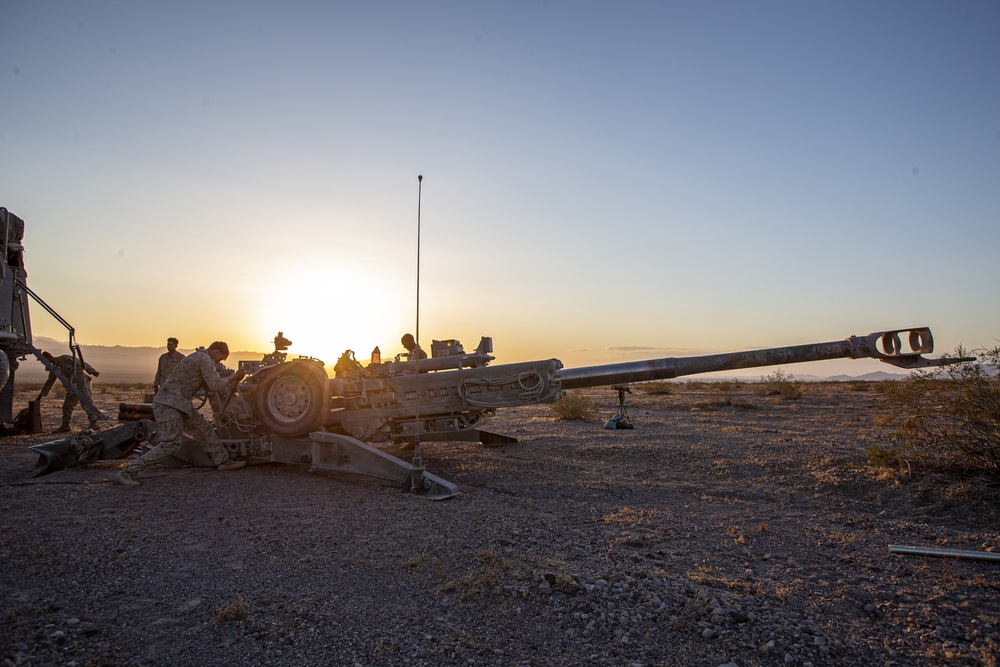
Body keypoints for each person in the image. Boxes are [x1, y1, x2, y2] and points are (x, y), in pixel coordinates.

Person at [116, 341, 246, 486]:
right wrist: (233, 378)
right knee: (171, 443)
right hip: (169, 404)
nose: (218, 362)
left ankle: (223, 461)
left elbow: (209, 385)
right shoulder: (204, 359)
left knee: (203, 429)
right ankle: (128, 471)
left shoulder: (198, 358)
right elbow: (215, 385)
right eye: (219, 359)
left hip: (180, 402)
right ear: (215, 352)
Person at [36, 351, 102, 432]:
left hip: (82, 382)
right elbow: (49, 382)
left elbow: (80, 363)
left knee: (86, 402)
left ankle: (94, 423)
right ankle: (65, 425)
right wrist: (41, 395)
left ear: (48, 358)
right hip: (72, 387)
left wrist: (92, 371)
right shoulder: (54, 369)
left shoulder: (64, 358)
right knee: (67, 406)